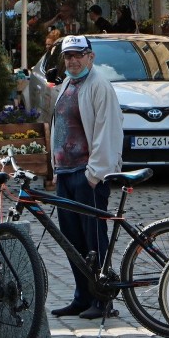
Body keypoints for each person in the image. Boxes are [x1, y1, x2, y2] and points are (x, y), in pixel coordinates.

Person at [49, 35, 123, 320]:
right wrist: (56, 170)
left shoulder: (99, 85)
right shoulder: (68, 82)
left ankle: (102, 300)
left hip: (87, 175)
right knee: (72, 240)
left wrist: (95, 174)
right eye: (68, 56)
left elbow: (108, 131)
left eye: (78, 55)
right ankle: (82, 297)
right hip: (66, 174)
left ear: (90, 57)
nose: (73, 60)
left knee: (93, 240)